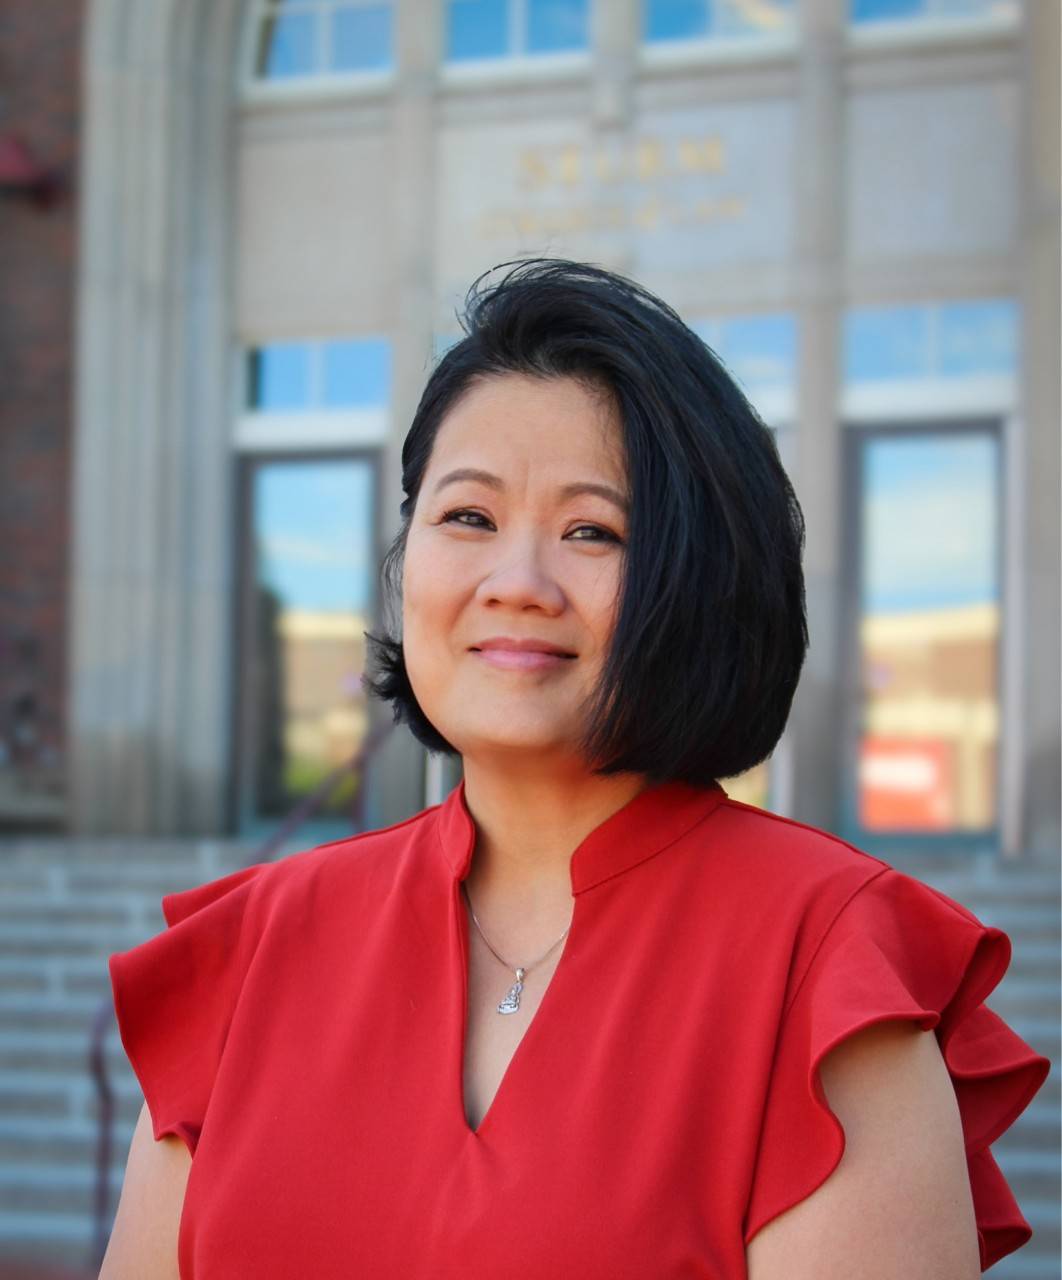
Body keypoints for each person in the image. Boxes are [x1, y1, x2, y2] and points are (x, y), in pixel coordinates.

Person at [100, 260, 1049, 1279]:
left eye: (593, 531)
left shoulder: (821, 964)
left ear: (699, 579)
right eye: (467, 517)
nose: (517, 583)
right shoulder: (252, 952)